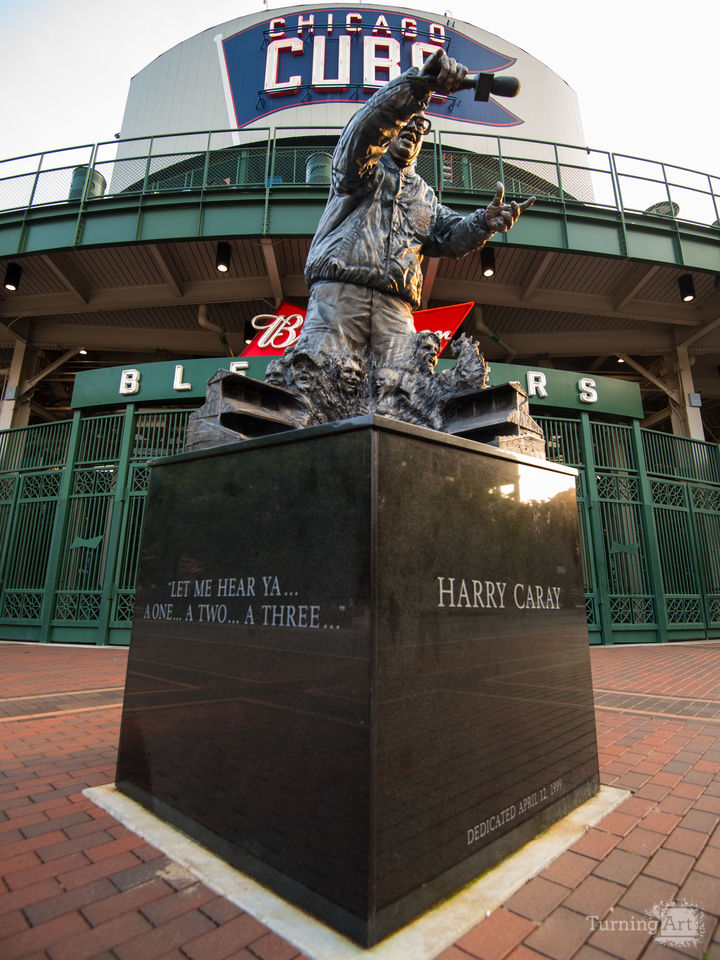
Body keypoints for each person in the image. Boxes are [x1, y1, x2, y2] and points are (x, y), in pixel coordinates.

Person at [294, 47, 534, 360]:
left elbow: (450, 235)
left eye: (418, 128)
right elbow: (362, 134)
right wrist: (415, 90)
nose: (411, 131)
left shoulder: (424, 194)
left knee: (405, 389)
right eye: (405, 125)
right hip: (340, 296)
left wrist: (483, 222)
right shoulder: (362, 165)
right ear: (390, 131)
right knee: (318, 377)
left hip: (396, 307)